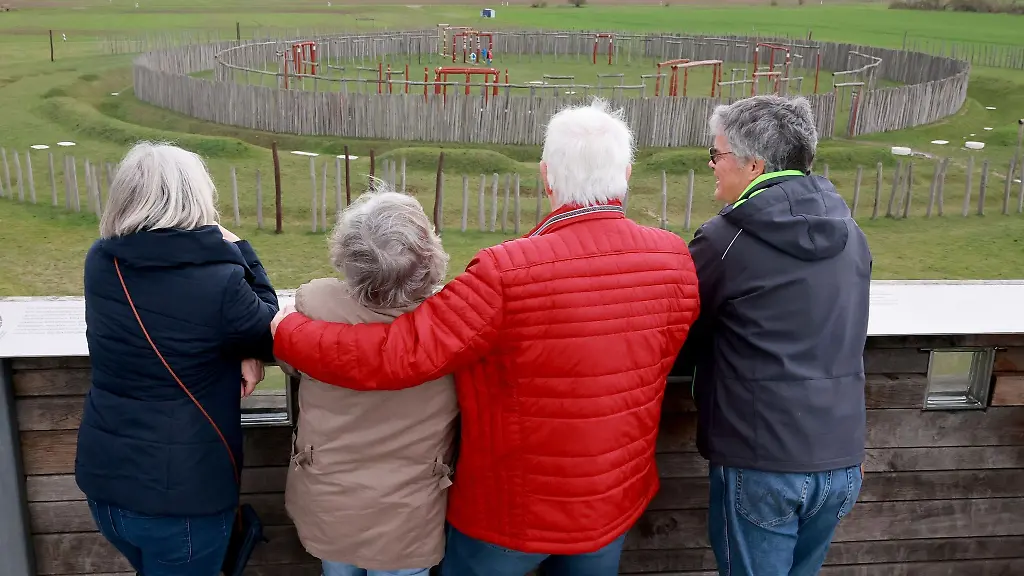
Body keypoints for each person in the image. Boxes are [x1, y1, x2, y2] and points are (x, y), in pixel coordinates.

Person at [270, 98, 700, 576]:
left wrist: (287, 330)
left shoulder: (507, 272)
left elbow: (397, 355)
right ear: (627, 172)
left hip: (512, 513)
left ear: (546, 175)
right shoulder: (673, 260)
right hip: (610, 499)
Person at [677, 95, 872, 576]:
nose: (712, 164)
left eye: (718, 154)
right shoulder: (851, 233)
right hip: (840, 457)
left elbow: (681, 331)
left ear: (754, 163)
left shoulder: (725, 239)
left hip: (761, 458)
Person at [75, 141, 280, 576]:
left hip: (107, 486)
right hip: (184, 500)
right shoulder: (221, 280)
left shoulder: (100, 262)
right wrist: (240, 247)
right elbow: (269, 331)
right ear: (196, 197)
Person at [281, 184, 458, 576]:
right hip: (409, 510)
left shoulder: (313, 306)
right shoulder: (451, 322)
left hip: (332, 498)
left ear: (347, 253)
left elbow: (289, 360)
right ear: (428, 253)